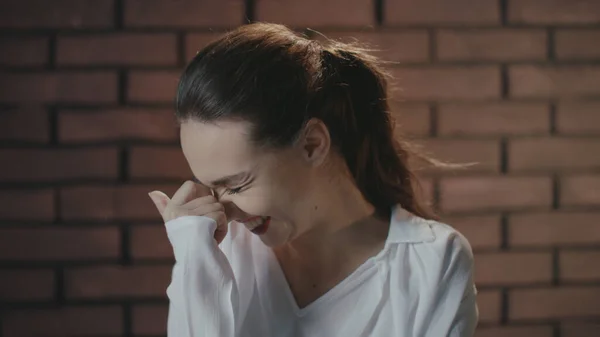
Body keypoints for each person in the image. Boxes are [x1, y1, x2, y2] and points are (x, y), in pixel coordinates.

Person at [147, 22, 478, 337]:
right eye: (212, 187)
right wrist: (194, 259)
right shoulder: (218, 253)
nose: (224, 211)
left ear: (312, 145)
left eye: (236, 185)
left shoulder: (434, 262)